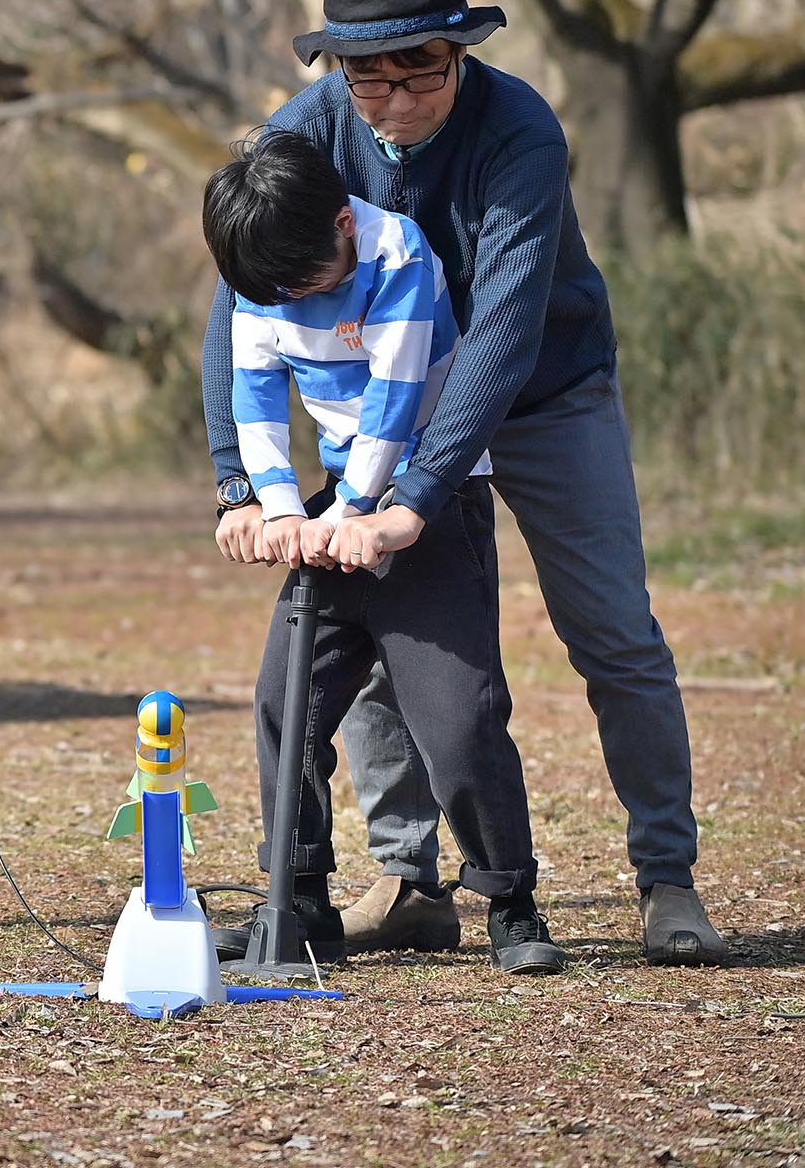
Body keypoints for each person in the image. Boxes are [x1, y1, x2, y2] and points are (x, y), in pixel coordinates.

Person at [202, 0, 726, 967]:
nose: (396, 103)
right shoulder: (305, 130)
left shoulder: (518, 129)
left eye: (422, 75)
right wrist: (238, 482)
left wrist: (417, 494)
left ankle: (667, 877)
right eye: (371, 79)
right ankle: (408, 880)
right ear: (338, 67)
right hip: (382, 410)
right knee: (381, 637)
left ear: (461, 52)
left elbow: (502, 330)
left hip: (543, 391)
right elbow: (240, 297)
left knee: (612, 632)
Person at [205, 129, 564, 975]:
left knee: (460, 722)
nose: (295, 300)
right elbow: (254, 396)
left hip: (426, 503)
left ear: (343, 223)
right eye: (276, 292)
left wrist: (359, 513)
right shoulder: (264, 273)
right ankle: (299, 897)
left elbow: (394, 402)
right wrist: (274, 508)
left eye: (309, 283)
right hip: (340, 507)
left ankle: (509, 899)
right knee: (285, 703)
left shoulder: (396, 253)